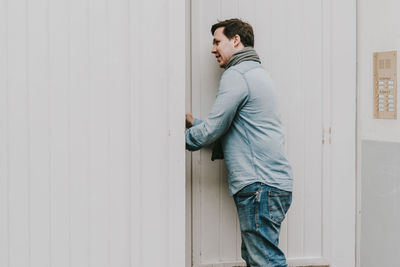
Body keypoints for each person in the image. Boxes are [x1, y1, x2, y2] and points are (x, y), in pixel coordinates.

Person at [185, 18, 293, 267]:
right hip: (271, 184)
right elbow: (232, 130)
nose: (213, 49)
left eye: (217, 41)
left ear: (236, 40)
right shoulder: (256, 74)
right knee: (259, 258)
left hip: (259, 185)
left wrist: (175, 141)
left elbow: (214, 129)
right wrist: (194, 123)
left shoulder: (237, 74)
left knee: (265, 261)